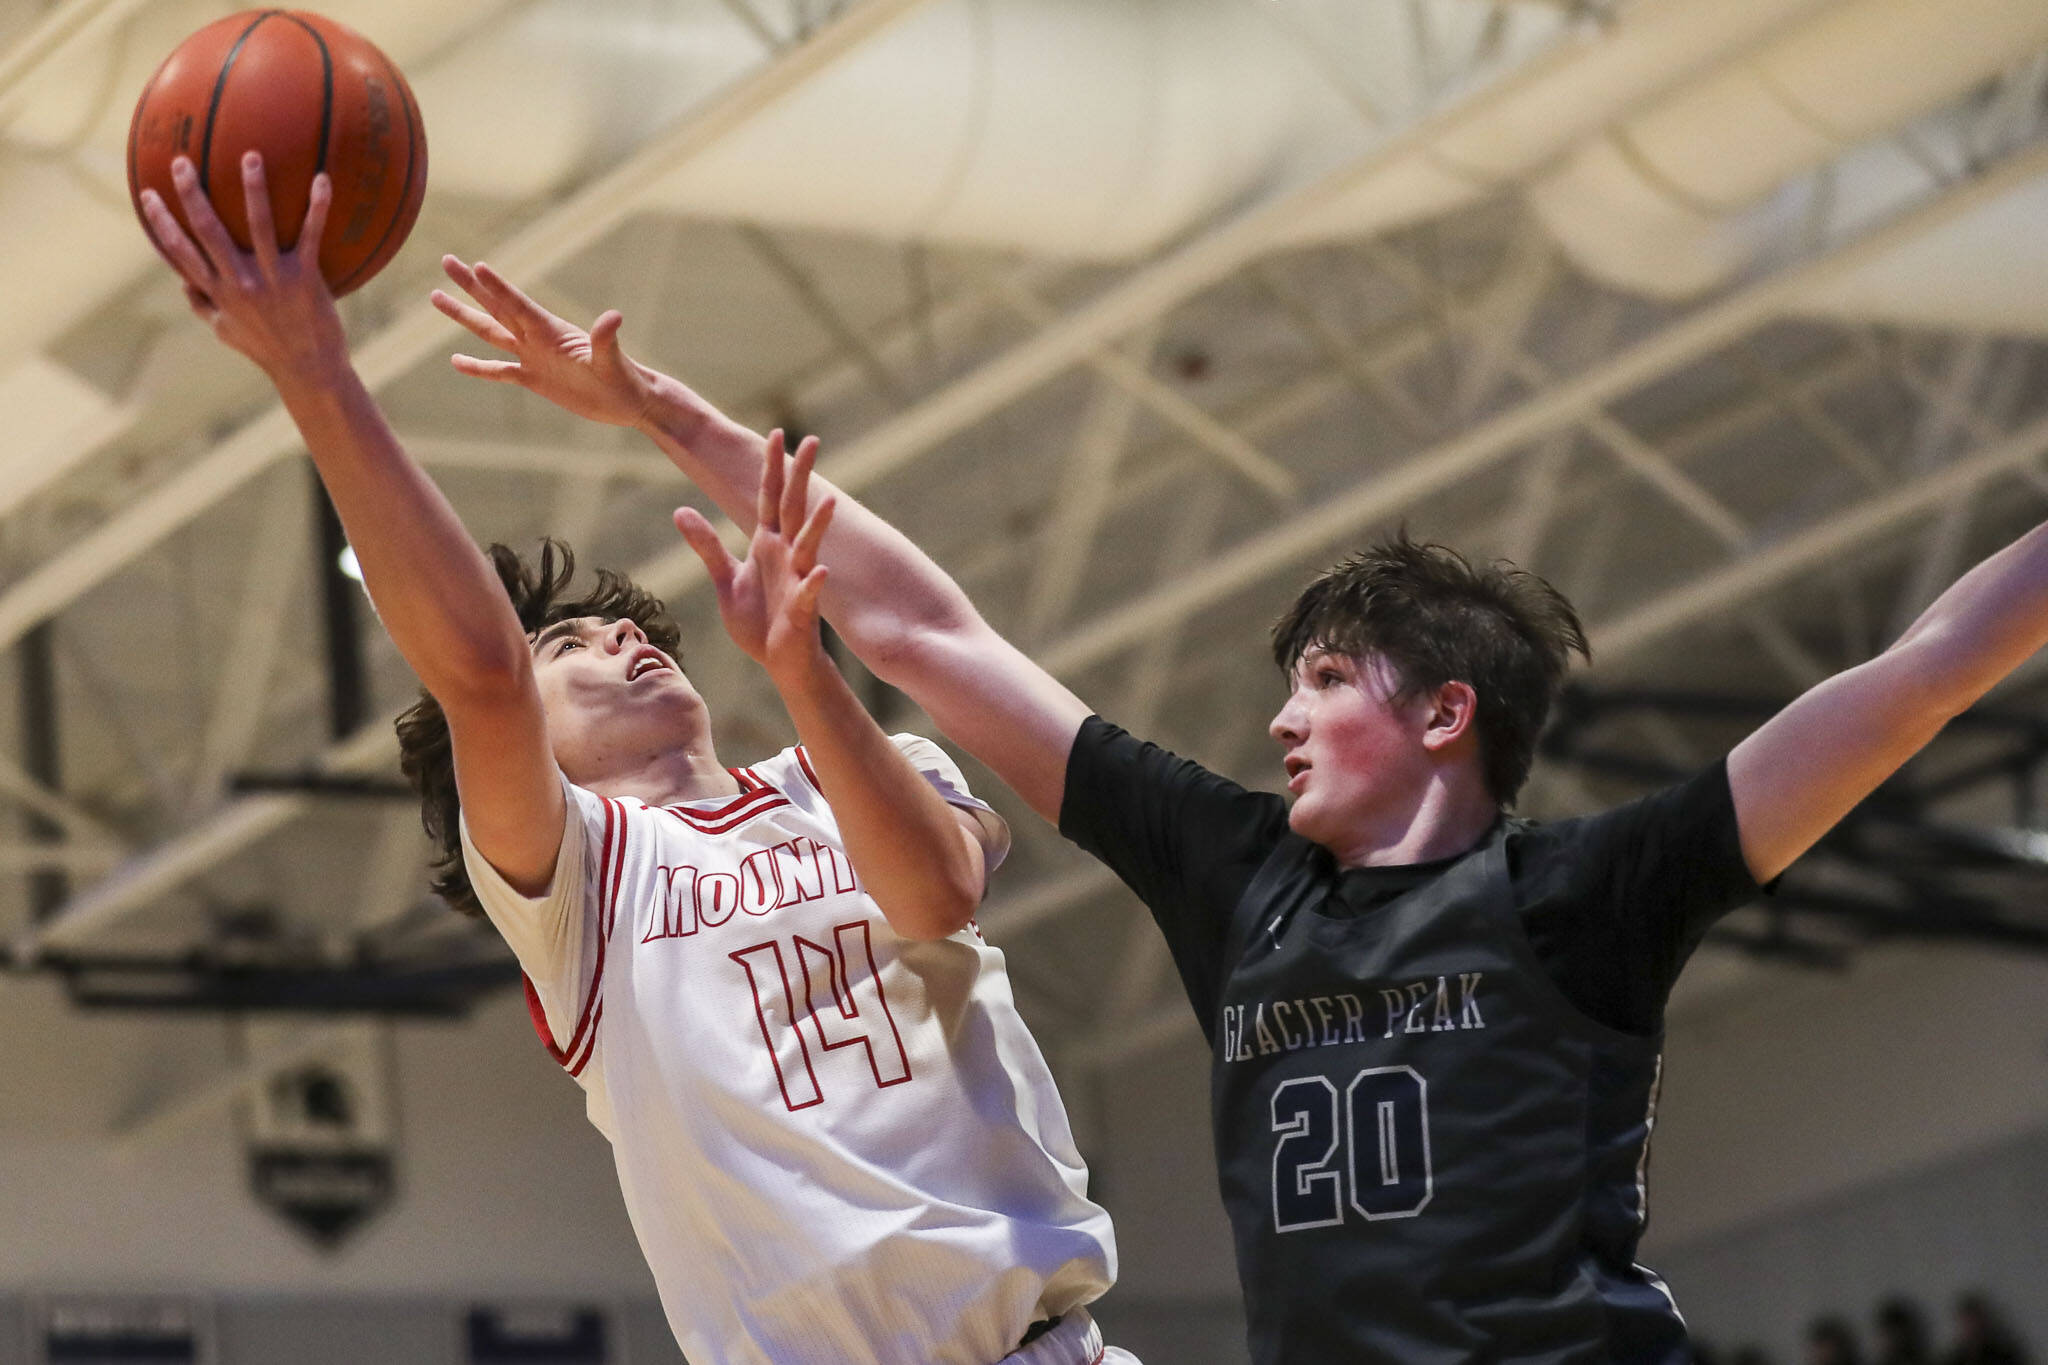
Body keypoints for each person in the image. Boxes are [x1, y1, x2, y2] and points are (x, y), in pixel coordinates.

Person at [433, 257, 2048, 1363]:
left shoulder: (1589, 890)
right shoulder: (1233, 875)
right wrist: (662, 414)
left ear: (1442, 713)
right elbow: (927, 632)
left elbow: (1915, 672)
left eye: (1325, 681)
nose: (1277, 713)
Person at [137, 155, 1140, 1365]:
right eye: (571, 641)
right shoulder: (582, 888)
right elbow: (479, 674)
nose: (619, 633)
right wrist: (315, 370)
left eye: (629, 627)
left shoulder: (850, 772)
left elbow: (936, 893)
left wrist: (803, 670)